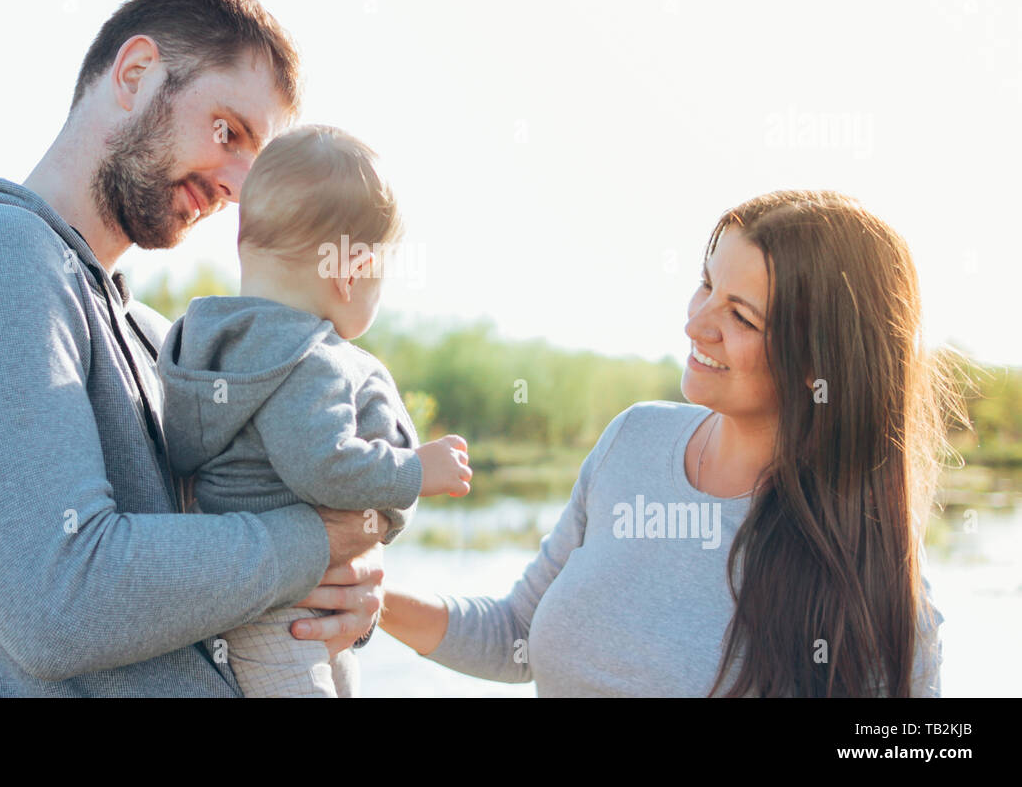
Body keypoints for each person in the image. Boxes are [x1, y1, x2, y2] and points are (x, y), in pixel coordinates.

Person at [0, 0, 387, 696]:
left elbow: (218, 568)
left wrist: (343, 600)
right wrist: (317, 542)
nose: (236, 185)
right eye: (227, 131)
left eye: (254, 166)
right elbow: (60, 600)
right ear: (136, 74)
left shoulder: (153, 336)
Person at [380, 190, 962, 696]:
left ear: (819, 363)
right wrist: (370, 599)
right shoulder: (633, 440)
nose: (697, 323)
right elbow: (517, 637)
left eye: (741, 316)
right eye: (706, 284)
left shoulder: (871, 569)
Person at [156, 124, 472, 696]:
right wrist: (418, 470)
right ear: (350, 273)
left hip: (245, 590)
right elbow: (325, 466)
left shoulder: (204, 345)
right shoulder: (309, 358)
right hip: (286, 612)